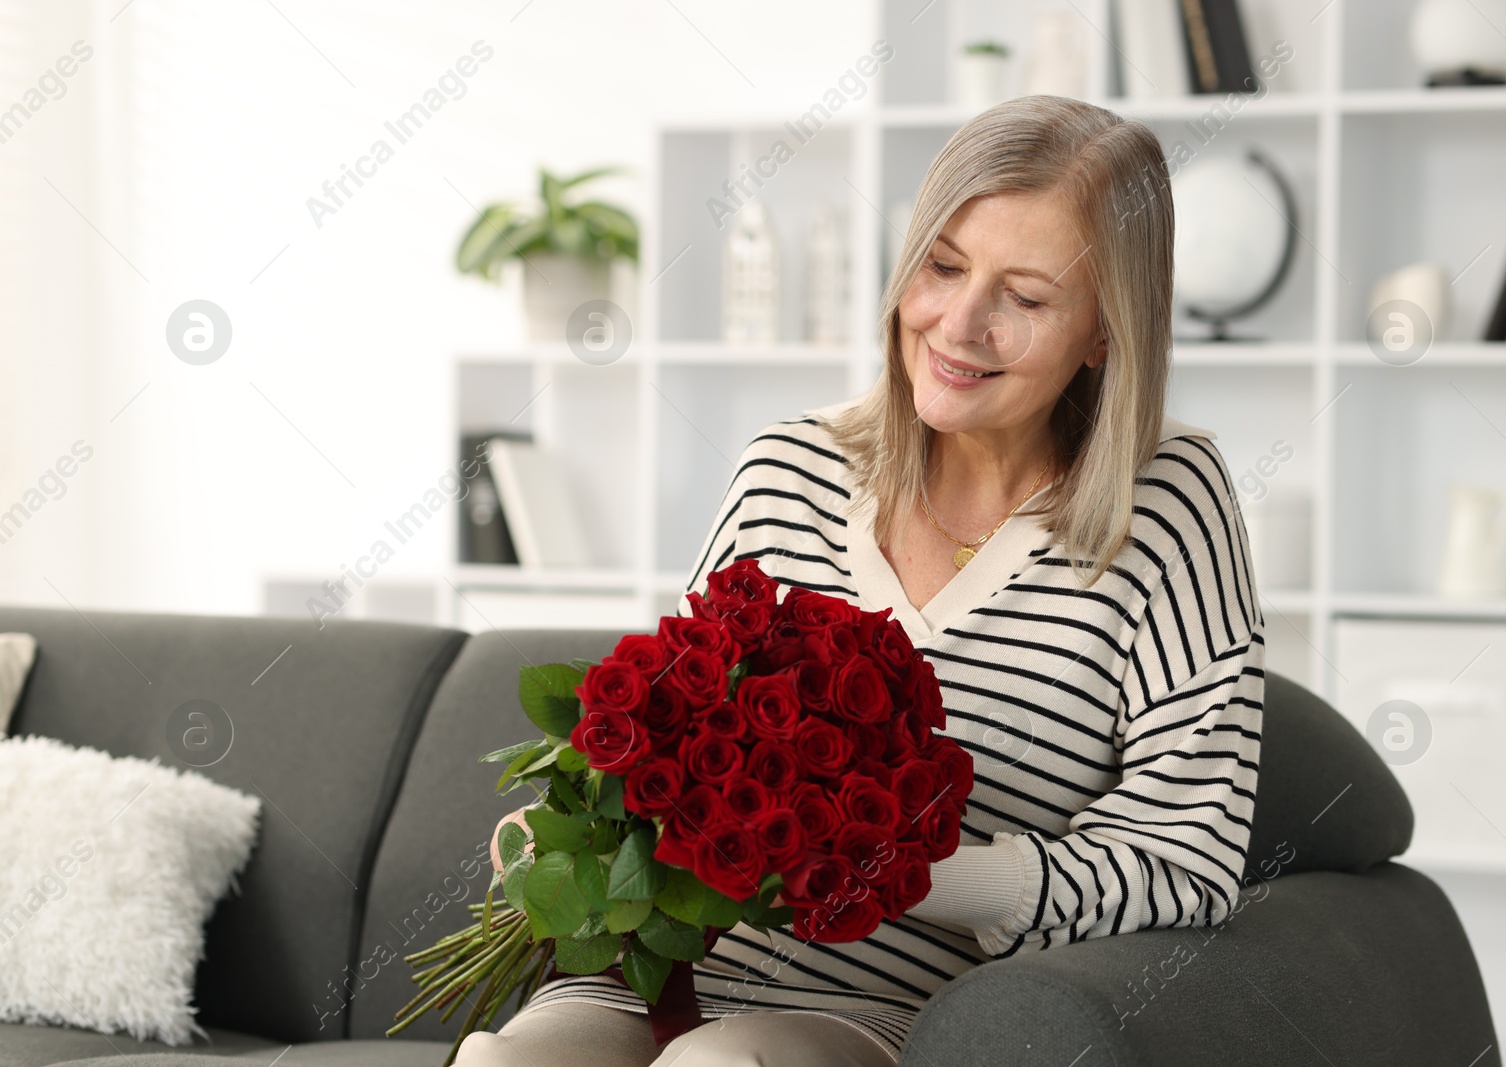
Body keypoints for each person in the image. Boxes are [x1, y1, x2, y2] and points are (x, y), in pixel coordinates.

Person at [457, 93, 1264, 1067]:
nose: (958, 324)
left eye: (1026, 296)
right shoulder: (785, 467)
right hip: (659, 966)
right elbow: (675, 729)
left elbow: (1187, 855)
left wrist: (913, 873)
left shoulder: (1165, 499)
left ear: (1104, 331)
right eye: (942, 265)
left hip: (883, 1005)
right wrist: (583, 832)